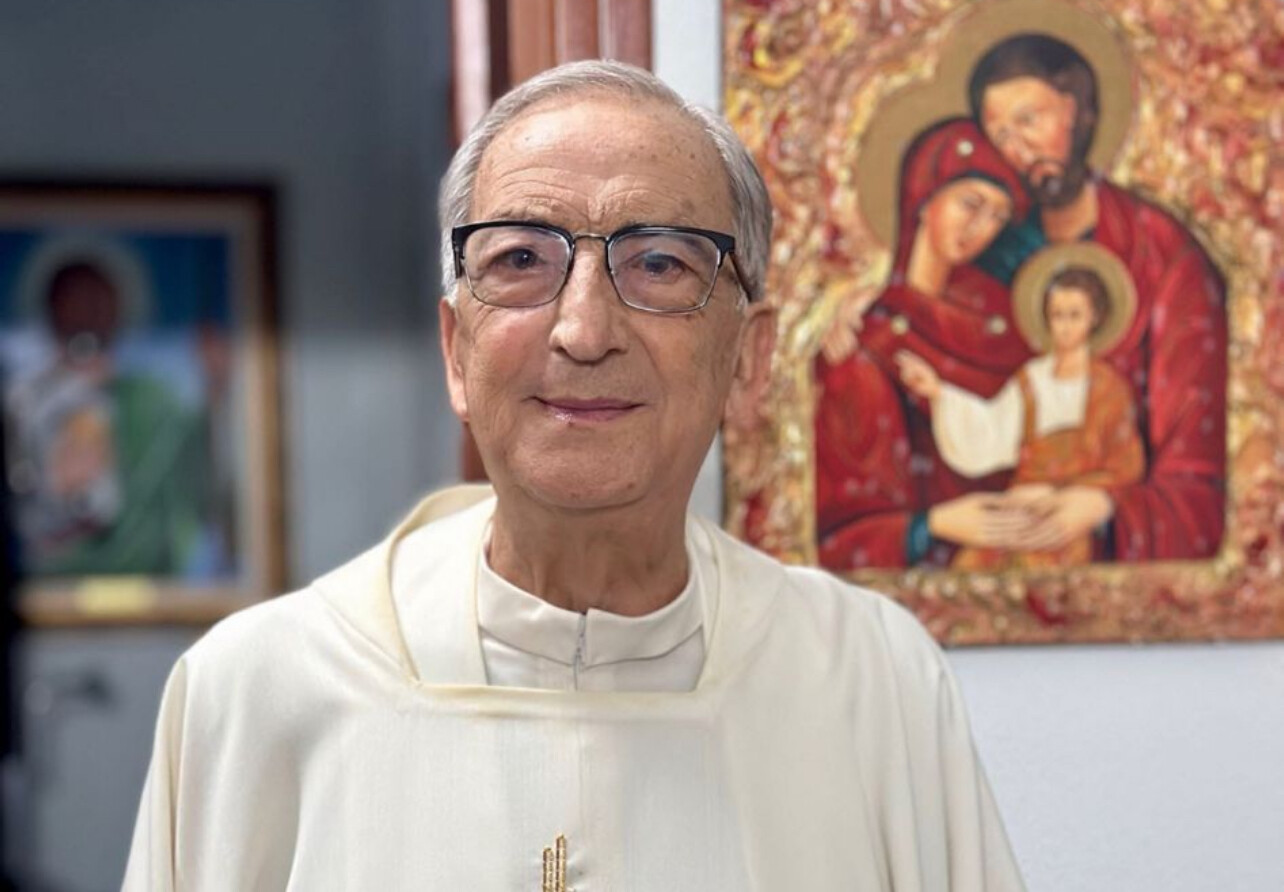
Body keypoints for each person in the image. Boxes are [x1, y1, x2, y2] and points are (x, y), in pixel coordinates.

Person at [123, 62, 1024, 889]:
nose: (584, 331)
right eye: (521, 260)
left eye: (660, 263)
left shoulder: (869, 681)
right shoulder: (255, 691)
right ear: (454, 352)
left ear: (747, 361)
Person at [952, 33, 1227, 563]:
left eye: (1029, 120)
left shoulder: (1160, 252)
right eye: (1000, 133)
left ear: (1078, 110)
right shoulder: (986, 256)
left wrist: (1104, 503)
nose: (1018, 147)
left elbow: (1194, 465)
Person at [813, 117, 1033, 569]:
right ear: (923, 196)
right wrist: (930, 527)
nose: (982, 229)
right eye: (970, 204)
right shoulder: (864, 332)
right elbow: (844, 521)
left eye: (997, 216)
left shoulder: (1004, 317)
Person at [897, 262, 1144, 570]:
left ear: (1094, 318)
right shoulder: (1031, 380)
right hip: (1016, 514)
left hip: (1066, 521)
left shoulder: (1109, 388)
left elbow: (1125, 467)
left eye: (1074, 315)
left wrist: (1089, 502)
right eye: (1057, 315)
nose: (1064, 326)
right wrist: (938, 393)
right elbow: (991, 430)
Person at [4, 260, 210, 576]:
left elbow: (186, 491)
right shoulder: (25, 398)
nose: (88, 312)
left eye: (99, 302)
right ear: (52, 310)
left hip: (146, 579)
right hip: (48, 570)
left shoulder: (152, 400)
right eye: (75, 300)